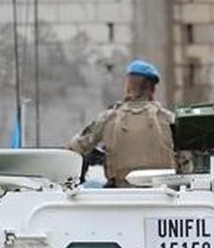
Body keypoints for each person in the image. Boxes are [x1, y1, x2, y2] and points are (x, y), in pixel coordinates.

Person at [65, 59, 175, 188]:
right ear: (153, 88)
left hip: (120, 195)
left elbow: (75, 149)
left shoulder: (108, 118)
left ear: (128, 85)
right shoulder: (168, 119)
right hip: (163, 195)